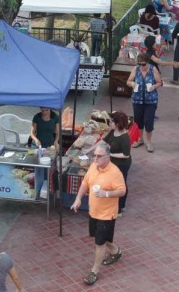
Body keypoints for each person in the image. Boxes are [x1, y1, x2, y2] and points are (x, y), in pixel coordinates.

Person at [71, 143, 126, 286]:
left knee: (99, 243)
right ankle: (116, 251)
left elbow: (122, 191)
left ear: (107, 157)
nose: (95, 158)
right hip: (93, 211)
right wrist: (78, 199)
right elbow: (85, 183)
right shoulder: (93, 167)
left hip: (107, 214)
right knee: (101, 237)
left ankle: (94, 271)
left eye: (99, 156)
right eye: (94, 155)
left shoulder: (115, 172)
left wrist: (105, 194)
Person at [127, 53, 162, 153]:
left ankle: (149, 142)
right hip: (137, 100)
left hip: (151, 101)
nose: (141, 66)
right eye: (140, 64)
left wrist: (154, 87)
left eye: (143, 64)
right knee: (138, 122)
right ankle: (139, 139)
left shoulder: (153, 69)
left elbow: (160, 82)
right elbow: (128, 81)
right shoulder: (136, 69)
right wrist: (132, 83)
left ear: (147, 62)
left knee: (148, 121)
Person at [103, 111, 132, 216]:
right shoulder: (113, 131)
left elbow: (126, 155)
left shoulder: (124, 137)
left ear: (118, 123)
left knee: (120, 185)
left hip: (122, 164)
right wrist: (89, 150)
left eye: (111, 122)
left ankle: (119, 209)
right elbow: (104, 141)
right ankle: (121, 205)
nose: (109, 123)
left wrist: (110, 154)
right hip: (114, 163)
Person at [30, 107, 59, 199]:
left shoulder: (55, 117)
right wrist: (35, 139)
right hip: (38, 146)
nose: (44, 112)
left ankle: (47, 190)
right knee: (38, 169)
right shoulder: (37, 117)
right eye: (42, 110)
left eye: (46, 110)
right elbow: (32, 133)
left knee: (48, 169)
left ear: (50, 109)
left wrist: (56, 141)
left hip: (49, 147)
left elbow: (58, 133)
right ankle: (38, 191)